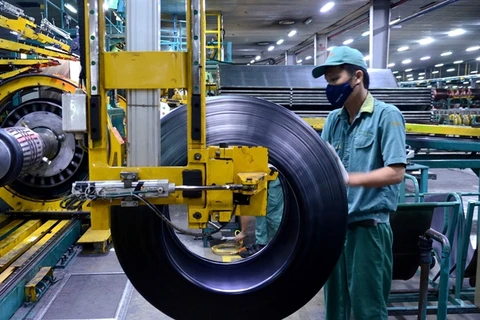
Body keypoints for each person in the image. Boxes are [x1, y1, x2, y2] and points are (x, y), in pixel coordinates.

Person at [312, 46, 407, 320]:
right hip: (337, 229)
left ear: (357, 76)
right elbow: (324, 165)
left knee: (368, 308)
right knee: (336, 307)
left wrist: (350, 179)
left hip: (368, 230)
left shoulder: (386, 116)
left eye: (334, 80)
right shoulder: (334, 119)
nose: (331, 87)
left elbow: (396, 172)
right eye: (328, 82)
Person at [234, 177, 284, 258]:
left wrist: (243, 232)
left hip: (276, 175)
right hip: (259, 174)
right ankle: (261, 244)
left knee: (274, 212)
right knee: (260, 209)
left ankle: (277, 245)